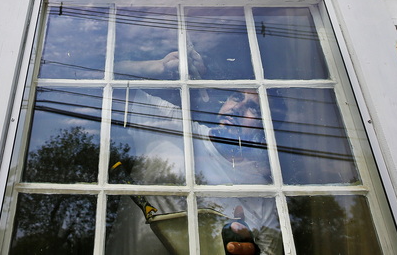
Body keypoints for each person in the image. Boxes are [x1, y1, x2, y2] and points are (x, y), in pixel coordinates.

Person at [108, 51, 283, 255]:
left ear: (264, 129)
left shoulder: (263, 195)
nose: (237, 108)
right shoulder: (174, 126)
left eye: (253, 109)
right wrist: (156, 67)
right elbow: (98, 85)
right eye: (235, 97)